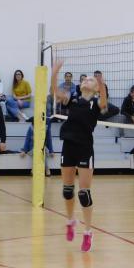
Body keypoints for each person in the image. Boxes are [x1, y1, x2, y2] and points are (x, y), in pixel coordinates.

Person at [52, 60, 108, 252]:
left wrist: (101, 83)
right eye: (85, 79)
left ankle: (88, 232)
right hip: (68, 146)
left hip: (85, 148)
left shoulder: (96, 103)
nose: (86, 80)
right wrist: (54, 72)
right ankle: (71, 221)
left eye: (91, 80)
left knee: (84, 193)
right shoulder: (73, 98)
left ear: (96, 87)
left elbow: (104, 101)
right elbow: (55, 92)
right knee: (67, 190)